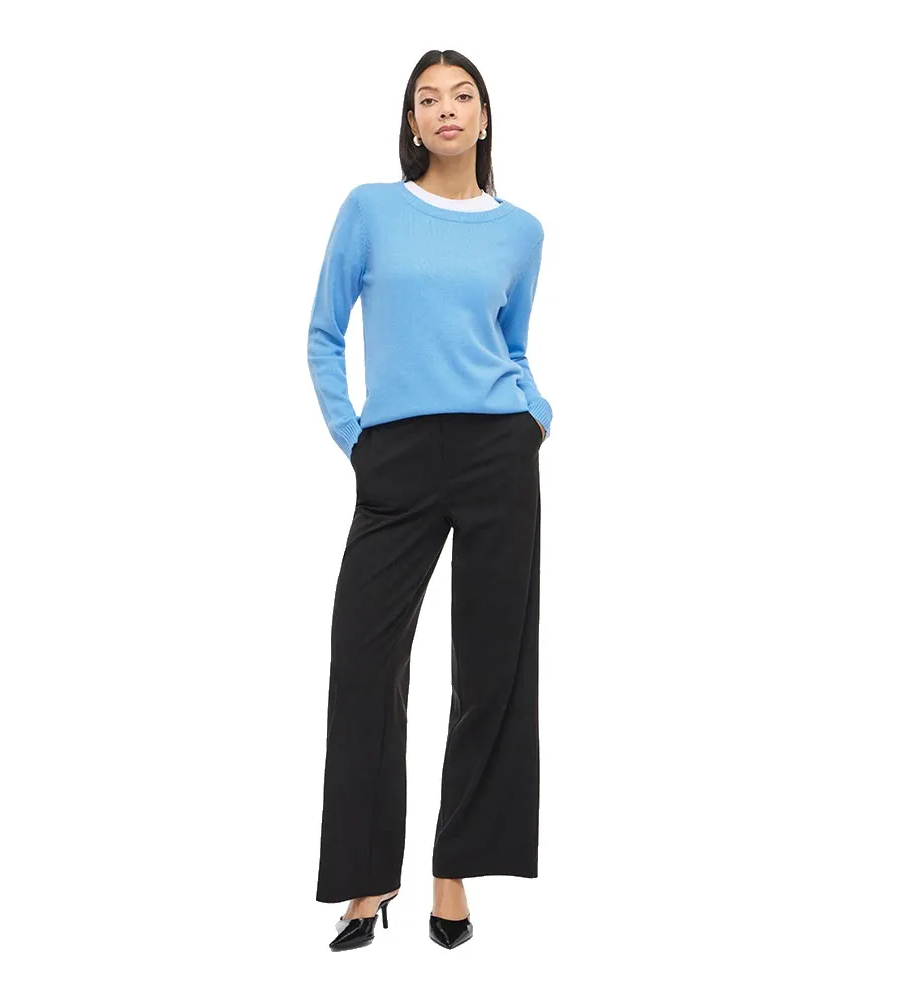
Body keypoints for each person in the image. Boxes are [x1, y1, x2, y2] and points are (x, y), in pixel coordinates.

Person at [307, 49, 553, 952]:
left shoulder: (521, 231)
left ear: (484, 116)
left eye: (462, 95)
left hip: (497, 452)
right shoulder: (371, 210)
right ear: (411, 122)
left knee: (492, 669)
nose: (446, 109)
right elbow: (324, 333)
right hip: (397, 457)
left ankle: (455, 870)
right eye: (428, 98)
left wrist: (533, 416)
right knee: (364, 666)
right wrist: (356, 438)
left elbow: (512, 344)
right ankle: (368, 877)